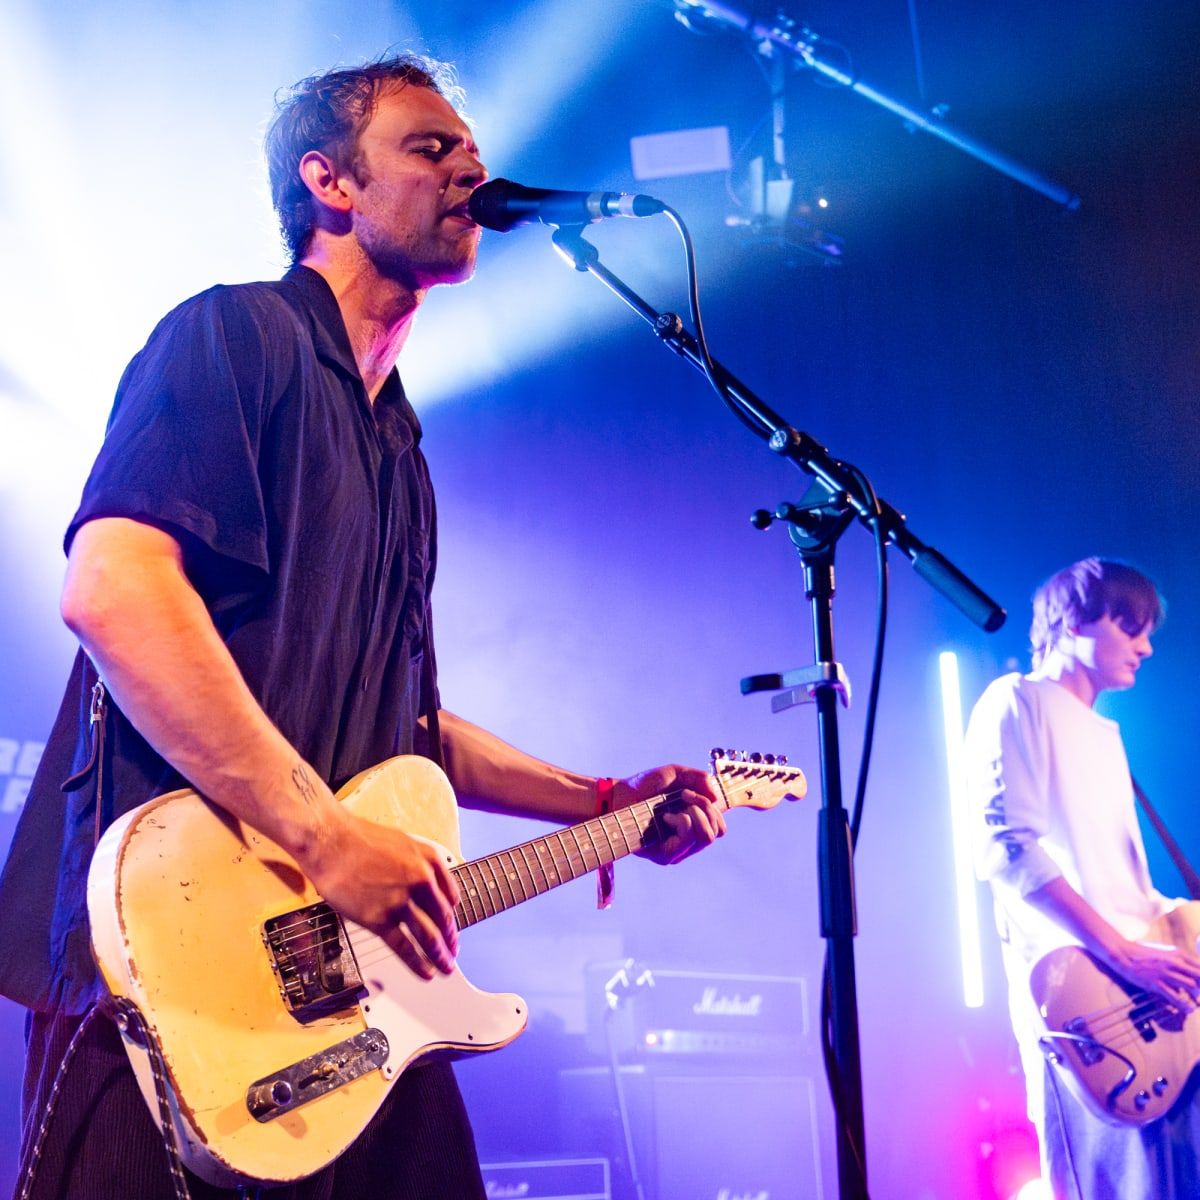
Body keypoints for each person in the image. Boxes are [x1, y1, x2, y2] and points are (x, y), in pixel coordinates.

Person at [0, 52, 729, 1200]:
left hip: (341, 996)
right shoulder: (237, 338)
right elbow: (114, 591)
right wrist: (330, 843)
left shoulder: (400, 449)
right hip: (166, 967)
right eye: (430, 149)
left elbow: (411, 727)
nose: (468, 172)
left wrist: (598, 803)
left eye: (472, 156)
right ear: (329, 182)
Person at [966, 557, 1200, 1198]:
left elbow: (1128, 889)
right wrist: (1124, 953)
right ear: (1073, 622)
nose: (1146, 647)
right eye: (1131, 628)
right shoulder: (1016, 700)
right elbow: (1008, 849)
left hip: (1158, 1003)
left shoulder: (1105, 735)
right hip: (1091, 1009)